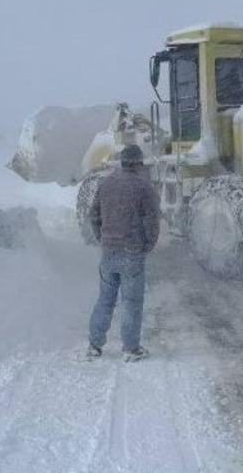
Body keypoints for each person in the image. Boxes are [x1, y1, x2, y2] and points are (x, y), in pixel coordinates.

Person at [87, 144, 160, 362]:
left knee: (105, 300)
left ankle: (94, 345)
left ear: (121, 162)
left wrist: (103, 238)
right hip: (132, 252)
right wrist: (149, 244)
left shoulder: (106, 183)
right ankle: (130, 349)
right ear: (138, 163)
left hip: (109, 252)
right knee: (131, 302)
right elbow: (152, 220)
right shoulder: (143, 186)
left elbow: (94, 215)